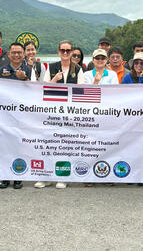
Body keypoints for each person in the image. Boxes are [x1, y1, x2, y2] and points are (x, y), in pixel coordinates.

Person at [37, 40, 84, 189]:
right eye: (62, 50)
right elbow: (44, 89)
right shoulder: (51, 67)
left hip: (70, 112)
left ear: (71, 52)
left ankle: (63, 176)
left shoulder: (78, 69)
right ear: (58, 51)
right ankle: (46, 176)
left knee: (65, 144)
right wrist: (54, 80)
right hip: (52, 112)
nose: (65, 53)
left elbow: (81, 91)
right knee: (49, 143)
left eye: (68, 51)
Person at [0, 42, 32, 190]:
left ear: (23, 54)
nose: (17, 55)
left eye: (19, 52)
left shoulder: (29, 69)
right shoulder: (1, 70)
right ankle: (5, 176)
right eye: (14, 52)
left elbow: (36, 90)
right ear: (8, 54)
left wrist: (24, 79)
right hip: (6, 113)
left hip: (22, 114)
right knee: (5, 144)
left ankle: (18, 175)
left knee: (19, 145)